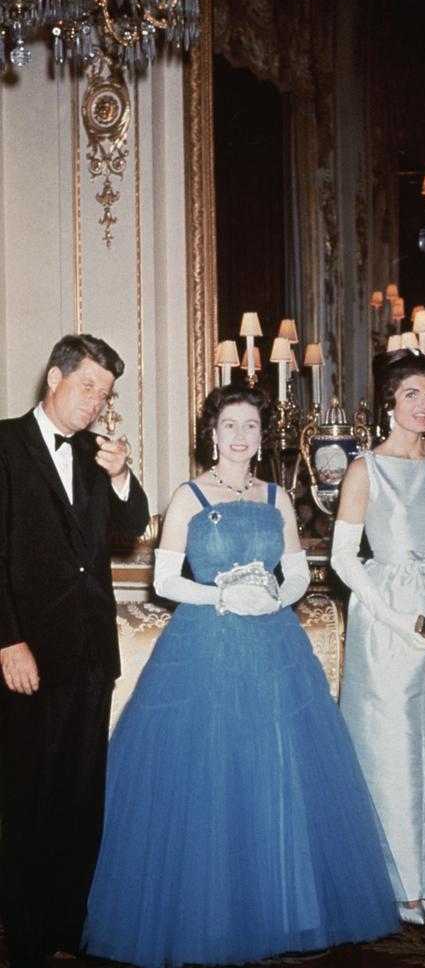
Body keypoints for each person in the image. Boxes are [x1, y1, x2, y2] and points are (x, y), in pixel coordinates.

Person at [82, 383, 400, 968]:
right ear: (212, 432)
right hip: (204, 645)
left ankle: (282, 908)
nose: (240, 436)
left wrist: (275, 597)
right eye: (230, 425)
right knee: (208, 777)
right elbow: (166, 582)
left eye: (250, 426)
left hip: (271, 646)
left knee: (275, 770)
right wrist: (224, 594)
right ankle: (207, 915)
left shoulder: (278, 496)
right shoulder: (188, 496)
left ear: (261, 435)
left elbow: (302, 573)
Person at [0, 334, 150, 968]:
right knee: (25, 798)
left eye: (106, 393)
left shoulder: (96, 455)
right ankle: (26, 937)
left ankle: (67, 923)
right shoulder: (4, 446)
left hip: (91, 652)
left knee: (79, 798)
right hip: (27, 652)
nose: (96, 402)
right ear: (54, 378)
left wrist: (121, 478)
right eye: (88, 385)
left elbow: (127, 531)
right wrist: (8, 639)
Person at [331, 347, 425, 926]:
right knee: (391, 748)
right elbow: (345, 559)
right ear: (389, 403)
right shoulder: (365, 467)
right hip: (387, 616)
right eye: (411, 394)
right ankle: (399, 884)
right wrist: (397, 619)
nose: (424, 405)